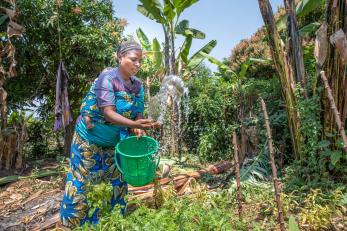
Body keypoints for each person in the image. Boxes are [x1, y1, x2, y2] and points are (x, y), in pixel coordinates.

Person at [60, 41, 157, 228]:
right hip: (89, 139)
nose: (138, 65)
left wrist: (139, 127)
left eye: (140, 61)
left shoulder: (138, 85)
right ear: (120, 57)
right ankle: (73, 225)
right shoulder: (108, 78)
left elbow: (138, 114)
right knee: (82, 183)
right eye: (133, 60)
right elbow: (108, 112)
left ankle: (111, 223)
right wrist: (134, 123)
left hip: (116, 142)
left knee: (117, 183)